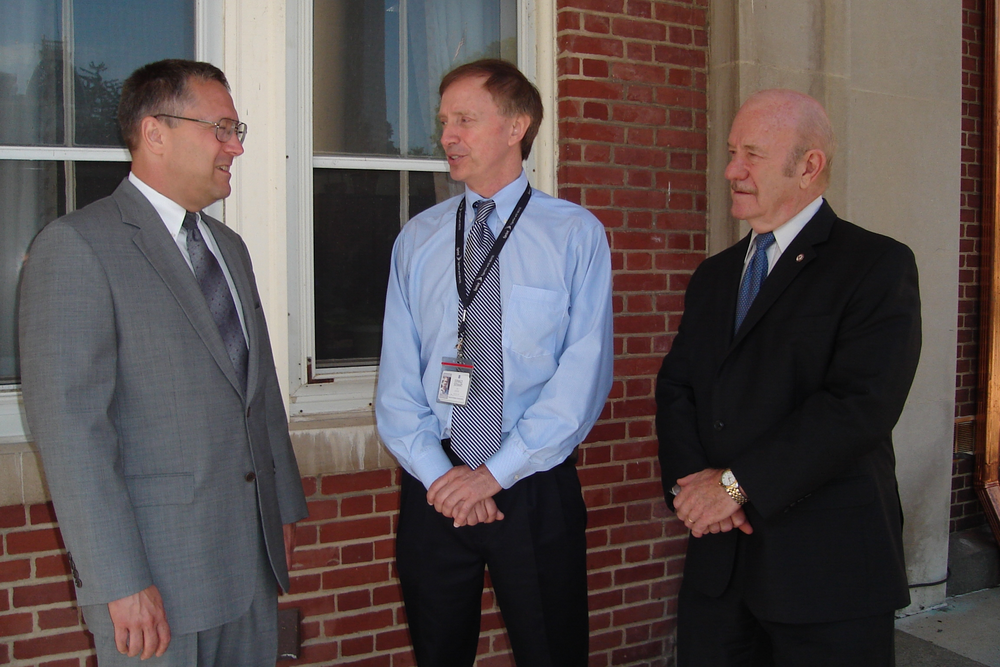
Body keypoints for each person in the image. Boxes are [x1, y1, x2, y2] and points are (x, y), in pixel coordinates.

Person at [18, 59, 308, 666]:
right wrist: (118, 581)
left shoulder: (228, 249)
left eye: (238, 131)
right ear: (155, 132)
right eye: (222, 129)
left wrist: (279, 506)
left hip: (248, 567)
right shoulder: (77, 247)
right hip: (156, 583)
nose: (236, 148)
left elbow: (257, 392)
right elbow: (72, 435)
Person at [655, 89, 922, 666]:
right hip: (719, 567)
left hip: (827, 571)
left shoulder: (875, 265)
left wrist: (733, 486)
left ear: (809, 166)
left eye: (751, 153)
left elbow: (859, 406)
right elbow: (677, 388)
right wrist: (693, 488)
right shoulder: (714, 276)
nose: (731, 170)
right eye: (731, 152)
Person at [375, 59, 613, 666]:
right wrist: (445, 478)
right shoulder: (417, 240)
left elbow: (581, 380)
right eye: (443, 122)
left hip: (533, 484)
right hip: (435, 485)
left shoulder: (574, 235)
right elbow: (398, 383)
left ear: (517, 126)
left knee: (551, 651)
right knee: (438, 652)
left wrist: (495, 474)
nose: (448, 136)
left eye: (465, 120)